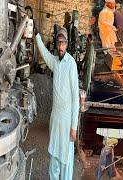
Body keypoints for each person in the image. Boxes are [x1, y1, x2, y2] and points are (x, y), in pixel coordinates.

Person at [34, 27, 80, 179]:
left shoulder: (71, 64)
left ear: (67, 45)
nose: (61, 46)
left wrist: (74, 127)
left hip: (67, 120)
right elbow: (44, 53)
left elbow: (75, 98)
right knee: (54, 153)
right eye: (59, 43)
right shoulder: (55, 62)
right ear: (56, 44)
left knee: (66, 157)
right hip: (55, 118)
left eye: (63, 43)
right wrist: (37, 35)